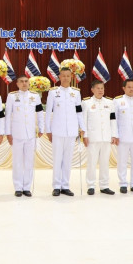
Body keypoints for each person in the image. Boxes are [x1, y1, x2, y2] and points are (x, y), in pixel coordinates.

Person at [45, 67, 84, 196]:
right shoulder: (53, 92)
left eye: (68, 76)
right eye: (63, 75)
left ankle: (65, 185)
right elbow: (48, 112)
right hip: (57, 131)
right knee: (57, 159)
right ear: (60, 77)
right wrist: (48, 130)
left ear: (71, 77)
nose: (66, 78)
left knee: (67, 160)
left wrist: (82, 128)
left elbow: (79, 112)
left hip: (71, 131)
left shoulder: (76, 93)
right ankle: (56, 186)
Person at [4, 75, 44, 197]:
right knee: (17, 162)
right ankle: (18, 187)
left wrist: (41, 128)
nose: (24, 83)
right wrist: (8, 133)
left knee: (29, 162)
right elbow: (7, 115)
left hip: (30, 134)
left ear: (29, 83)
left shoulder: (35, 96)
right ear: (17, 84)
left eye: (26, 81)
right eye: (21, 81)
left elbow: (40, 113)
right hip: (17, 134)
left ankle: (26, 187)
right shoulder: (12, 96)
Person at [81, 80, 117, 196]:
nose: (100, 90)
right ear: (92, 89)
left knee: (105, 162)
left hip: (106, 137)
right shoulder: (86, 103)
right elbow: (84, 121)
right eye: (98, 88)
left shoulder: (110, 102)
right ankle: (91, 185)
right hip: (92, 138)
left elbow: (113, 120)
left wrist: (114, 135)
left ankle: (104, 185)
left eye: (102, 88)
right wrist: (85, 136)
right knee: (91, 162)